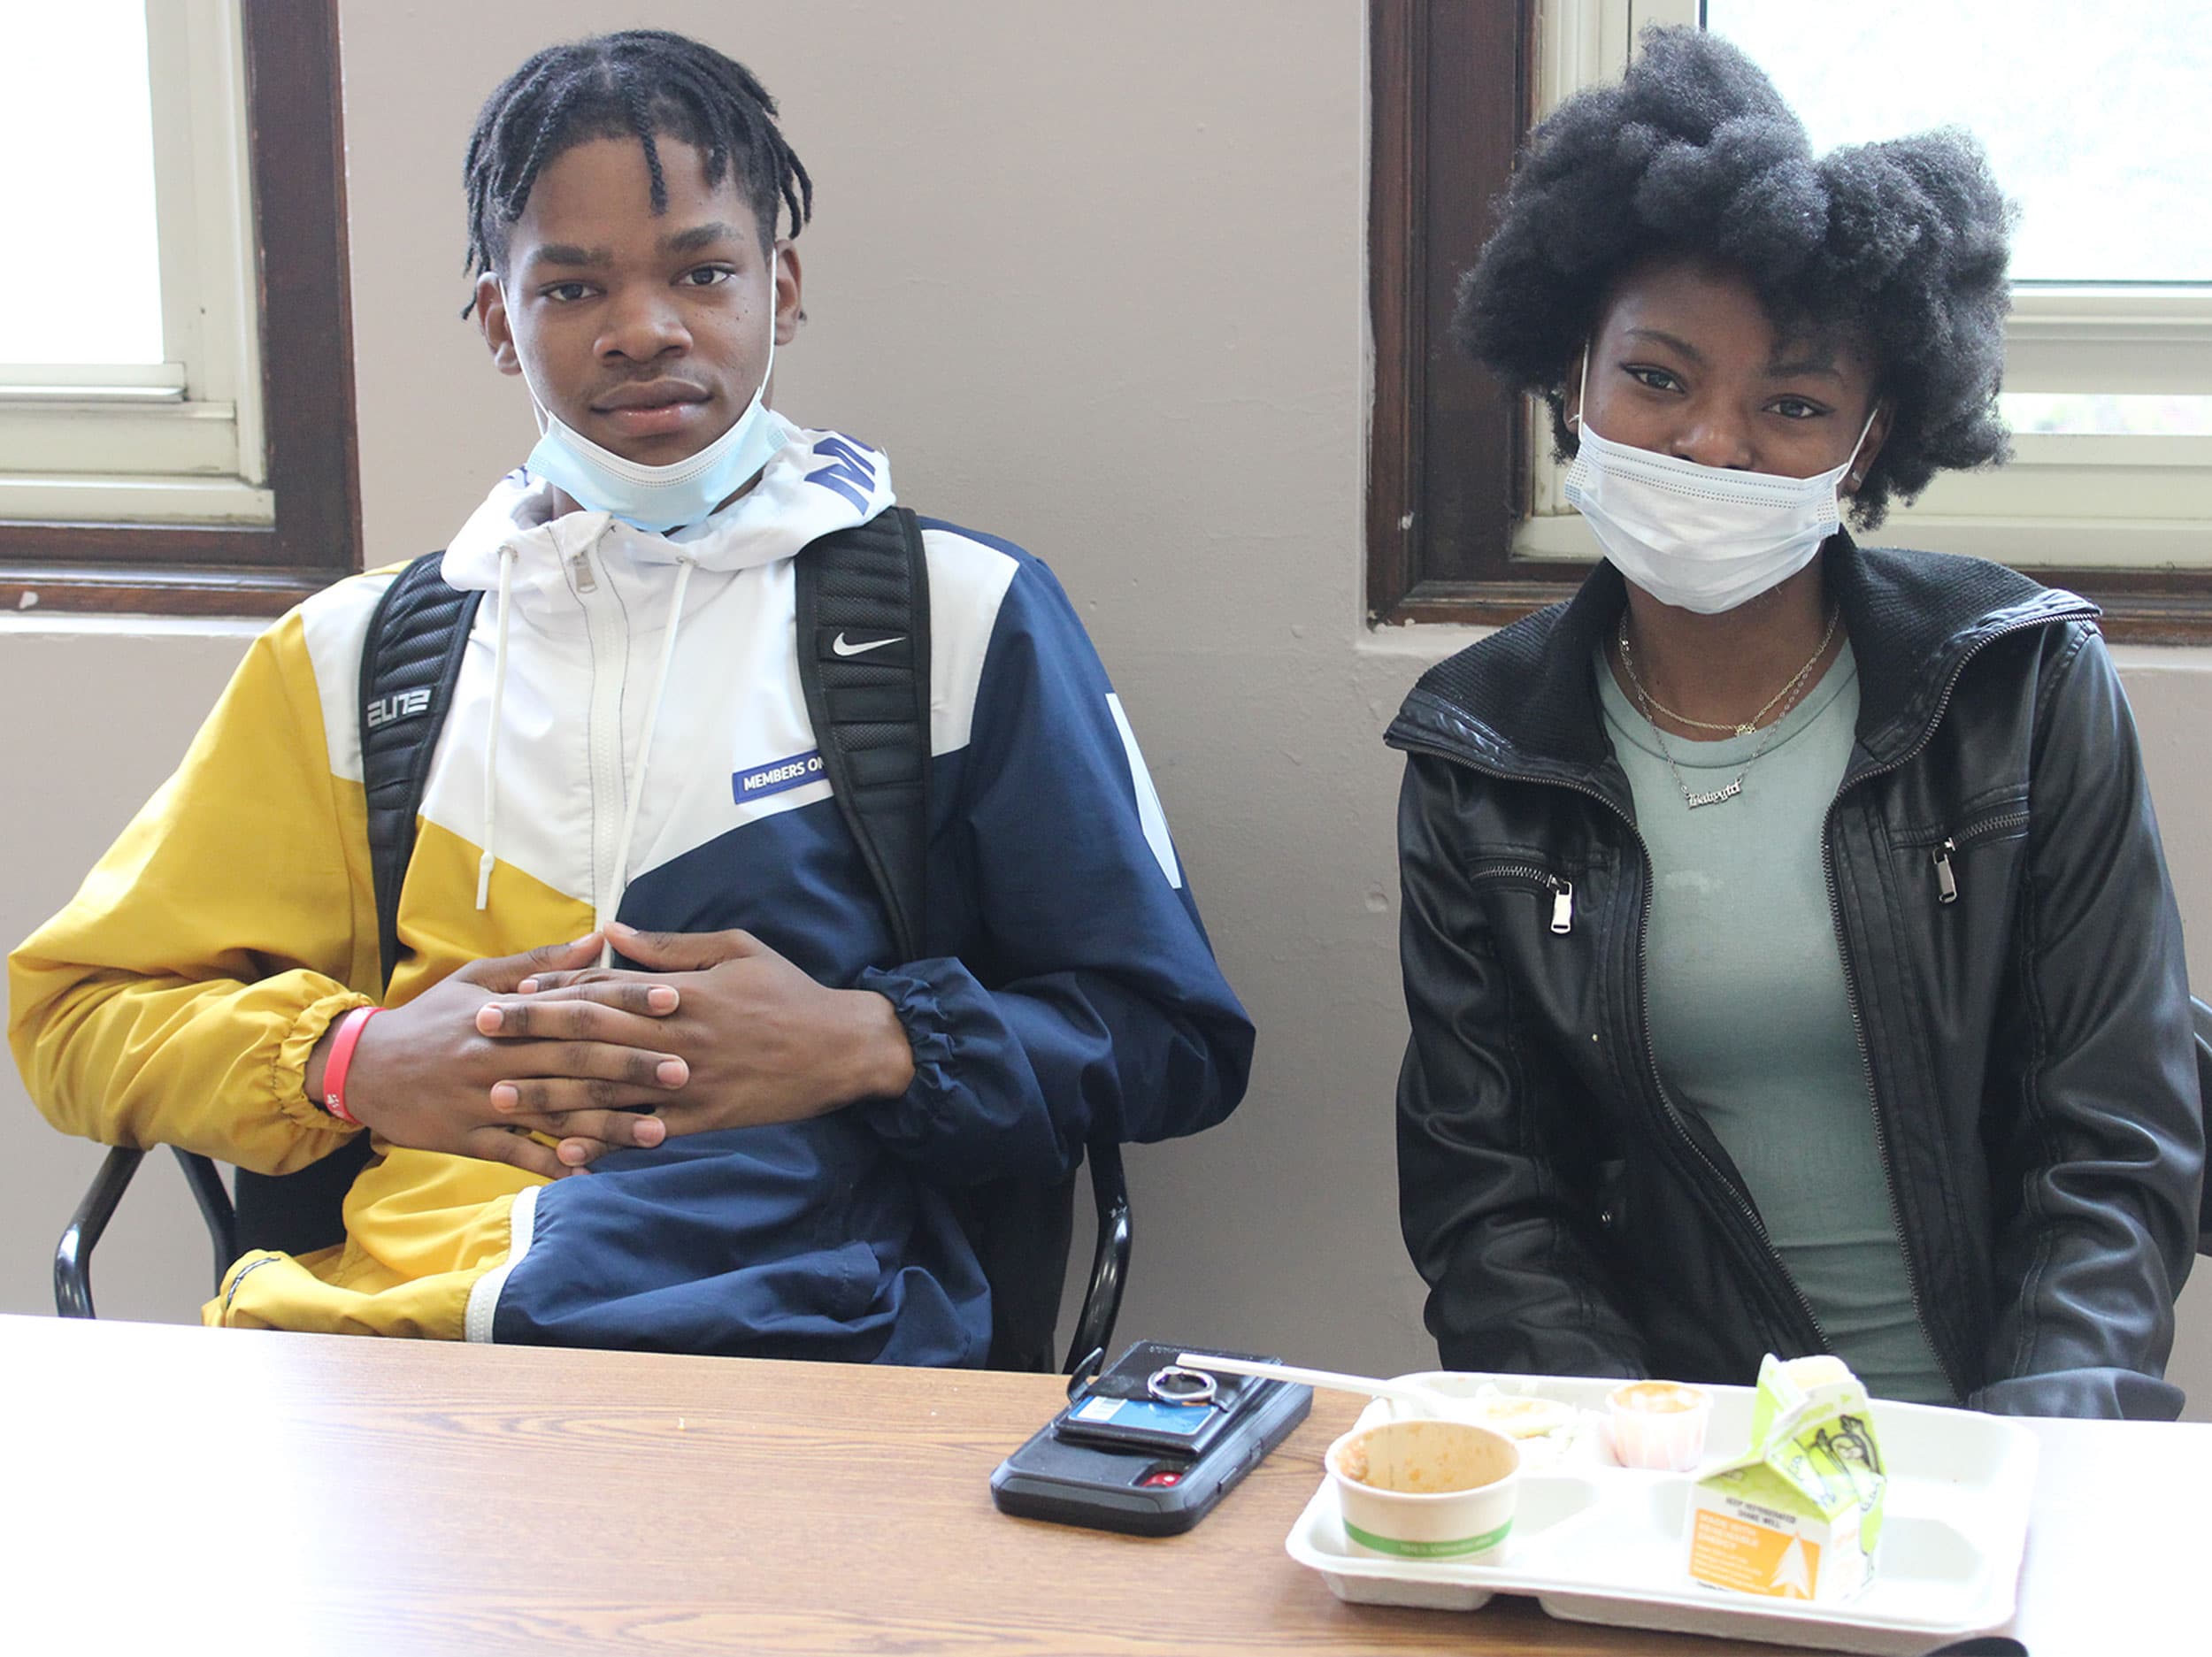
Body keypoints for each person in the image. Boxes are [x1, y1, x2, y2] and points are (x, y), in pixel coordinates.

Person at [10, 30, 1252, 1363]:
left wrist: (866, 1040)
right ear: (500, 320)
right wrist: (354, 1059)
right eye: (572, 286)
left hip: (814, 1356)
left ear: (781, 288)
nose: (645, 328)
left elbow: (1171, 1040)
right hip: (379, 1359)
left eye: (702, 272)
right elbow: (75, 1014)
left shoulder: (959, 614)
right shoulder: (353, 656)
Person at [1388, 27, 2202, 1417]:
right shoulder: (1481, 754)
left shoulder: (2019, 688)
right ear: (1573, 377)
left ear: (1868, 439)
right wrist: (1642, 1469)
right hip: (1678, 1463)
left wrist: (2025, 1463)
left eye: (1792, 402)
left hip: (2002, 1443)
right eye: (1658, 378)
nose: (1714, 442)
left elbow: (2114, 1142)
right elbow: (1493, 1202)